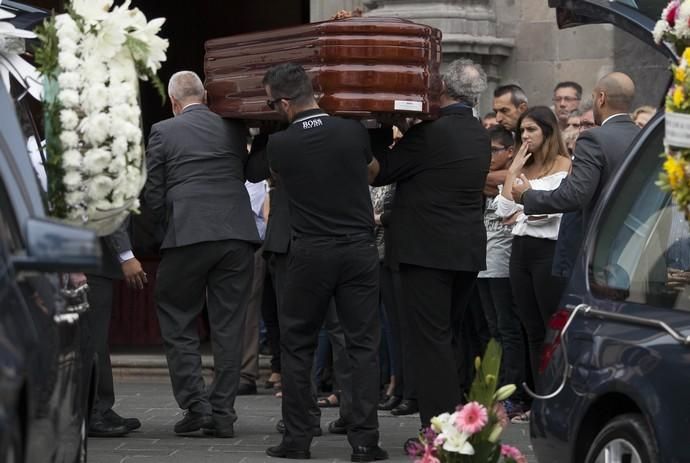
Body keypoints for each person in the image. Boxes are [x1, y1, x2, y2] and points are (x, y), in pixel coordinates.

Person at [260, 63, 386, 461]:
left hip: (310, 251)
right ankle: (365, 441)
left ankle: (297, 439)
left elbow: (279, 178)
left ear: (283, 102)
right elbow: (370, 170)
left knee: (297, 344)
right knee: (362, 344)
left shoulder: (280, 145)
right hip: (358, 250)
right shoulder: (352, 131)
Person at [369, 58, 490, 430]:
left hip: (427, 252)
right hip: (464, 249)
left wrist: (377, 128)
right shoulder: (478, 132)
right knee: (446, 337)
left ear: (443, 90)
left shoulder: (432, 132)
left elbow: (380, 172)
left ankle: (439, 430)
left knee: (431, 342)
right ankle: (454, 422)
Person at [145, 70, 260, 438]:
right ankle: (223, 412)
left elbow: (152, 191)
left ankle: (196, 405)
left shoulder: (164, 131)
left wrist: (158, 231)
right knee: (229, 325)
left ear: (174, 103)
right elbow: (247, 171)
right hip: (236, 232)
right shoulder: (232, 128)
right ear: (205, 97)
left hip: (188, 231)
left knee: (177, 316)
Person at [514, 72, 641, 279]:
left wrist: (527, 196)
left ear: (601, 98)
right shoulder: (644, 135)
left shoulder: (593, 138)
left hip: (599, 250)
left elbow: (575, 195)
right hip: (635, 246)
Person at [496, 106, 571, 410]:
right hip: (521, 251)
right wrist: (513, 170)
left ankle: (558, 399)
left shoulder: (565, 164)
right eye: (522, 131)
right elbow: (502, 211)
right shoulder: (522, 167)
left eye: (531, 130)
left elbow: (553, 211)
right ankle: (539, 400)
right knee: (530, 327)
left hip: (548, 252)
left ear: (548, 131)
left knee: (551, 328)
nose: (525, 136)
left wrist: (526, 205)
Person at [476, 126, 529, 417]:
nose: (489, 156)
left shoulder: (518, 176)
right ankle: (496, 389)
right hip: (484, 264)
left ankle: (516, 392)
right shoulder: (497, 177)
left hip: (504, 264)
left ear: (511, 151)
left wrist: (497, 178)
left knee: (509, 330)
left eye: (495, 150)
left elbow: (497, 181)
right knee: (492, 329)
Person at [85, 219, 144, 437]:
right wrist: (126, 255)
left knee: (97, 339)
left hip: (94, 260)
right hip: (89, 260)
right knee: (92, 340)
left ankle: (102, 406)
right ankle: (92, 411)